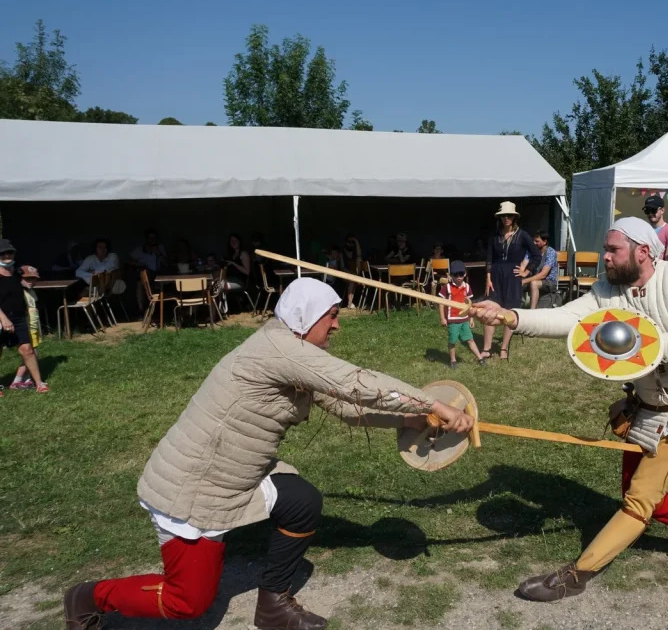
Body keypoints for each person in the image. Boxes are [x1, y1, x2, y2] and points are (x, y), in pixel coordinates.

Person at [63, 278, 474, 630]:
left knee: (302, 502)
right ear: (305, 317)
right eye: (331, 316)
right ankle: (87, 598)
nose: (336, 326)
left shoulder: (290, 352)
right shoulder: (279, 351)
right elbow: (355, 383)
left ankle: (273, 606)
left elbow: (350, 408)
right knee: (186, 603)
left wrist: (413, 420)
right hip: (195, 488)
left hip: (240, 476)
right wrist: (435, 405)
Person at [472, 217, 668, 602]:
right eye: (606, 249)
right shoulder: (608, 290)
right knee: (644, 493)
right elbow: (568, 318)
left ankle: (576, 576)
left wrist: (643, 345)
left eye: (613, 249)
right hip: (647, 409)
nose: (606, 257)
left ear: (643, 252)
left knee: (637, 502)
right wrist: (509, 315)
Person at [484, 201, 540, 361]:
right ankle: (486, 348)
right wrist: (488, 278)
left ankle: (503, 348)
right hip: (495, 276)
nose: (506, 218)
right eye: (503, 216)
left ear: (514, 217)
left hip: (513, 277)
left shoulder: (522, 235)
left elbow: (536, 255)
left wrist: (525, 271)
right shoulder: (494, 235)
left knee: (509, 311)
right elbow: (489, 258)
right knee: (490, 309)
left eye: (509, 216)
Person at [0, 241, 48, 396]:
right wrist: (4, 319)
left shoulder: (17, 271)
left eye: (10, 253)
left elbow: (25, 281)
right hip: (1, 317)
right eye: (3, 254)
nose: (7, 256)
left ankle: (39, 383)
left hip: (19, 317)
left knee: (27, 350)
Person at [439, 260, 486, 369]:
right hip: (452, 320)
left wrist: (471, 319)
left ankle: (480, 358)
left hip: (464, 319)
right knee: (452, 341)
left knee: (470, 339)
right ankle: (453, 360)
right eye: (456, 274)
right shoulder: (447, 288)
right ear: (451, 275)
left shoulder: (467, 287)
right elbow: (441, 303)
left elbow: (469, 305)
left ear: (465, 274)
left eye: (461, 274)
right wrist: (443, 318)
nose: (459, 277)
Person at [9, 265, 43, 391]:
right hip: (26, 328)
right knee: (31, 354)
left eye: (33, 279)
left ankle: (27, 379)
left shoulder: (31, 292)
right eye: (27, 278)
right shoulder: (19, 293)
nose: (30, 281)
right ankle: (17, 381)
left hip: (34, 328)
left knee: (33, 354)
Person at [521, 230, 559, 309]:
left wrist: (524, 281)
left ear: (545, 241)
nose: (534, 243)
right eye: (533, 241)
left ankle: (532, 311)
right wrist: (519, 274)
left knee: (534, 283)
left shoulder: (550, 252)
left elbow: (543, 274)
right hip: (533, 279)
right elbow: (523, 266)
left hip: (549, 282)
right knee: (515, 281)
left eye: (537, 241)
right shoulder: (531, 251)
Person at [643, 194, 668, 260]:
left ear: (662, 210)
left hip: (660, 269)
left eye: (653, 210)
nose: (650, 213)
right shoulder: (644, 229)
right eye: (647, 211)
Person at [342, 234, 362, 309]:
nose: (350, 244)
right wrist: (350, 274)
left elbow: (359, 255)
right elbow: (342, 267)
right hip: (345, 274)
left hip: (356, 275)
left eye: (352, 242)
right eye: (349, 241)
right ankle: (349, 303)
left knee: (353, 279)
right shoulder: (342, 252)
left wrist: (356, 241)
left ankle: (351, 302)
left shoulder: (355, 253)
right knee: (352, 280)